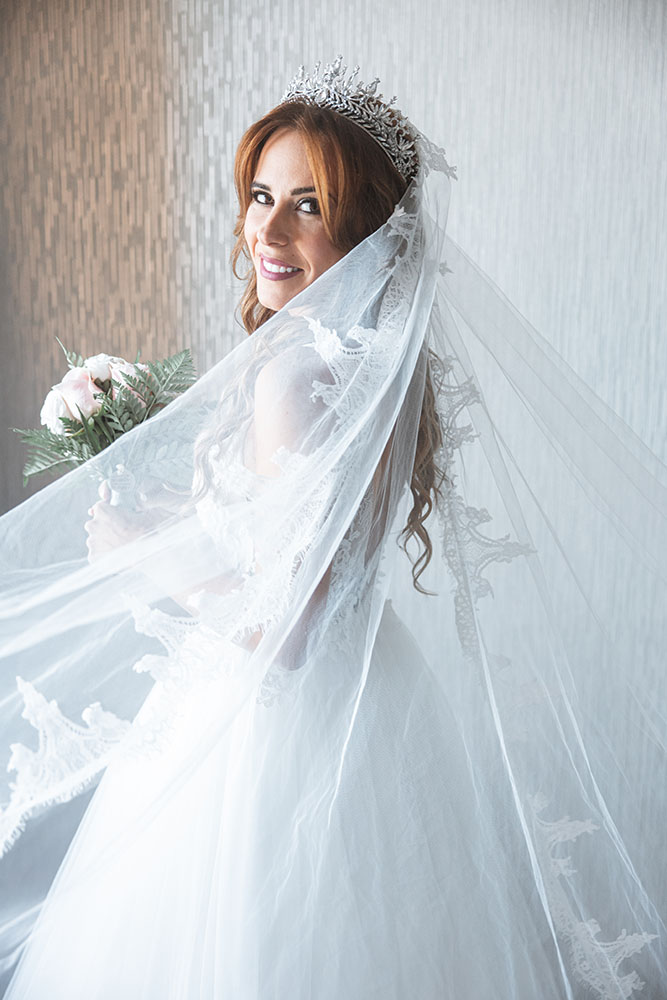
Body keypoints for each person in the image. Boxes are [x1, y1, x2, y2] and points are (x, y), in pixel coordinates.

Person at [1, 57, 666, 998]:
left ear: (365, 228)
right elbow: (302, 565)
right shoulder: (373, 364)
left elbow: (288, 632)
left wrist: (143, 551)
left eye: (308, 206)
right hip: (374, 703)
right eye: (261, 196)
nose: (268, 231)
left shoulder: (294, 376)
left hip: (271, 739)